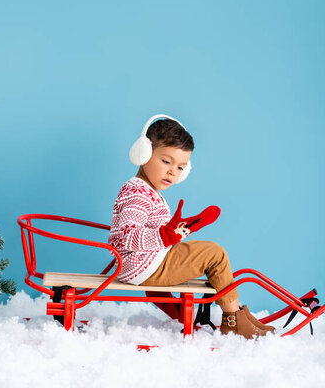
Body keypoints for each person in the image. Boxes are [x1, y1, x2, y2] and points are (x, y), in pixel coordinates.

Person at [108, 114, 275, 339]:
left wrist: (186, 226)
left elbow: (156, 233)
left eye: (180, 167)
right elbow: (127, 236)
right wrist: (165, 236)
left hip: (145, 262)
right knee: (214, 254)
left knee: (205, 251)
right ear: (144, 154)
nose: (172, 172)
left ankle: (238, 315)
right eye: (166, 161)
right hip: (144, 266)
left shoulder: (146, 190)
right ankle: (233, 318)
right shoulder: (137, 192)